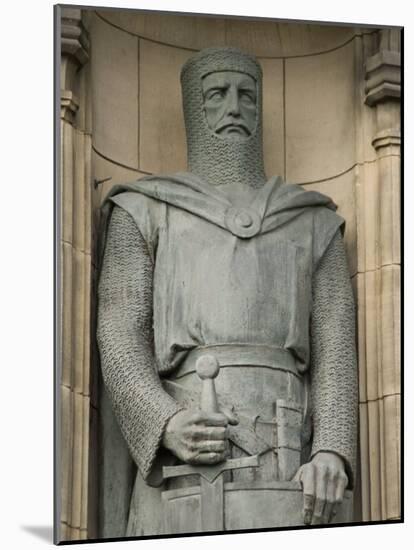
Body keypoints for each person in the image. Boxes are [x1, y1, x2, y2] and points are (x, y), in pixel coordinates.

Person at [97, 47, 358, 537]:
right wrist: (165, 422)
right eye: (217, 94)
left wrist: (332, 449)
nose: (234, 108)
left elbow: (337, 353)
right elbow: (119, 335)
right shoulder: (145, 210)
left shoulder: (313, 221)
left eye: (247, 95)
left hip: (289, 462)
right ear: (194, 110)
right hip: (184, 456)